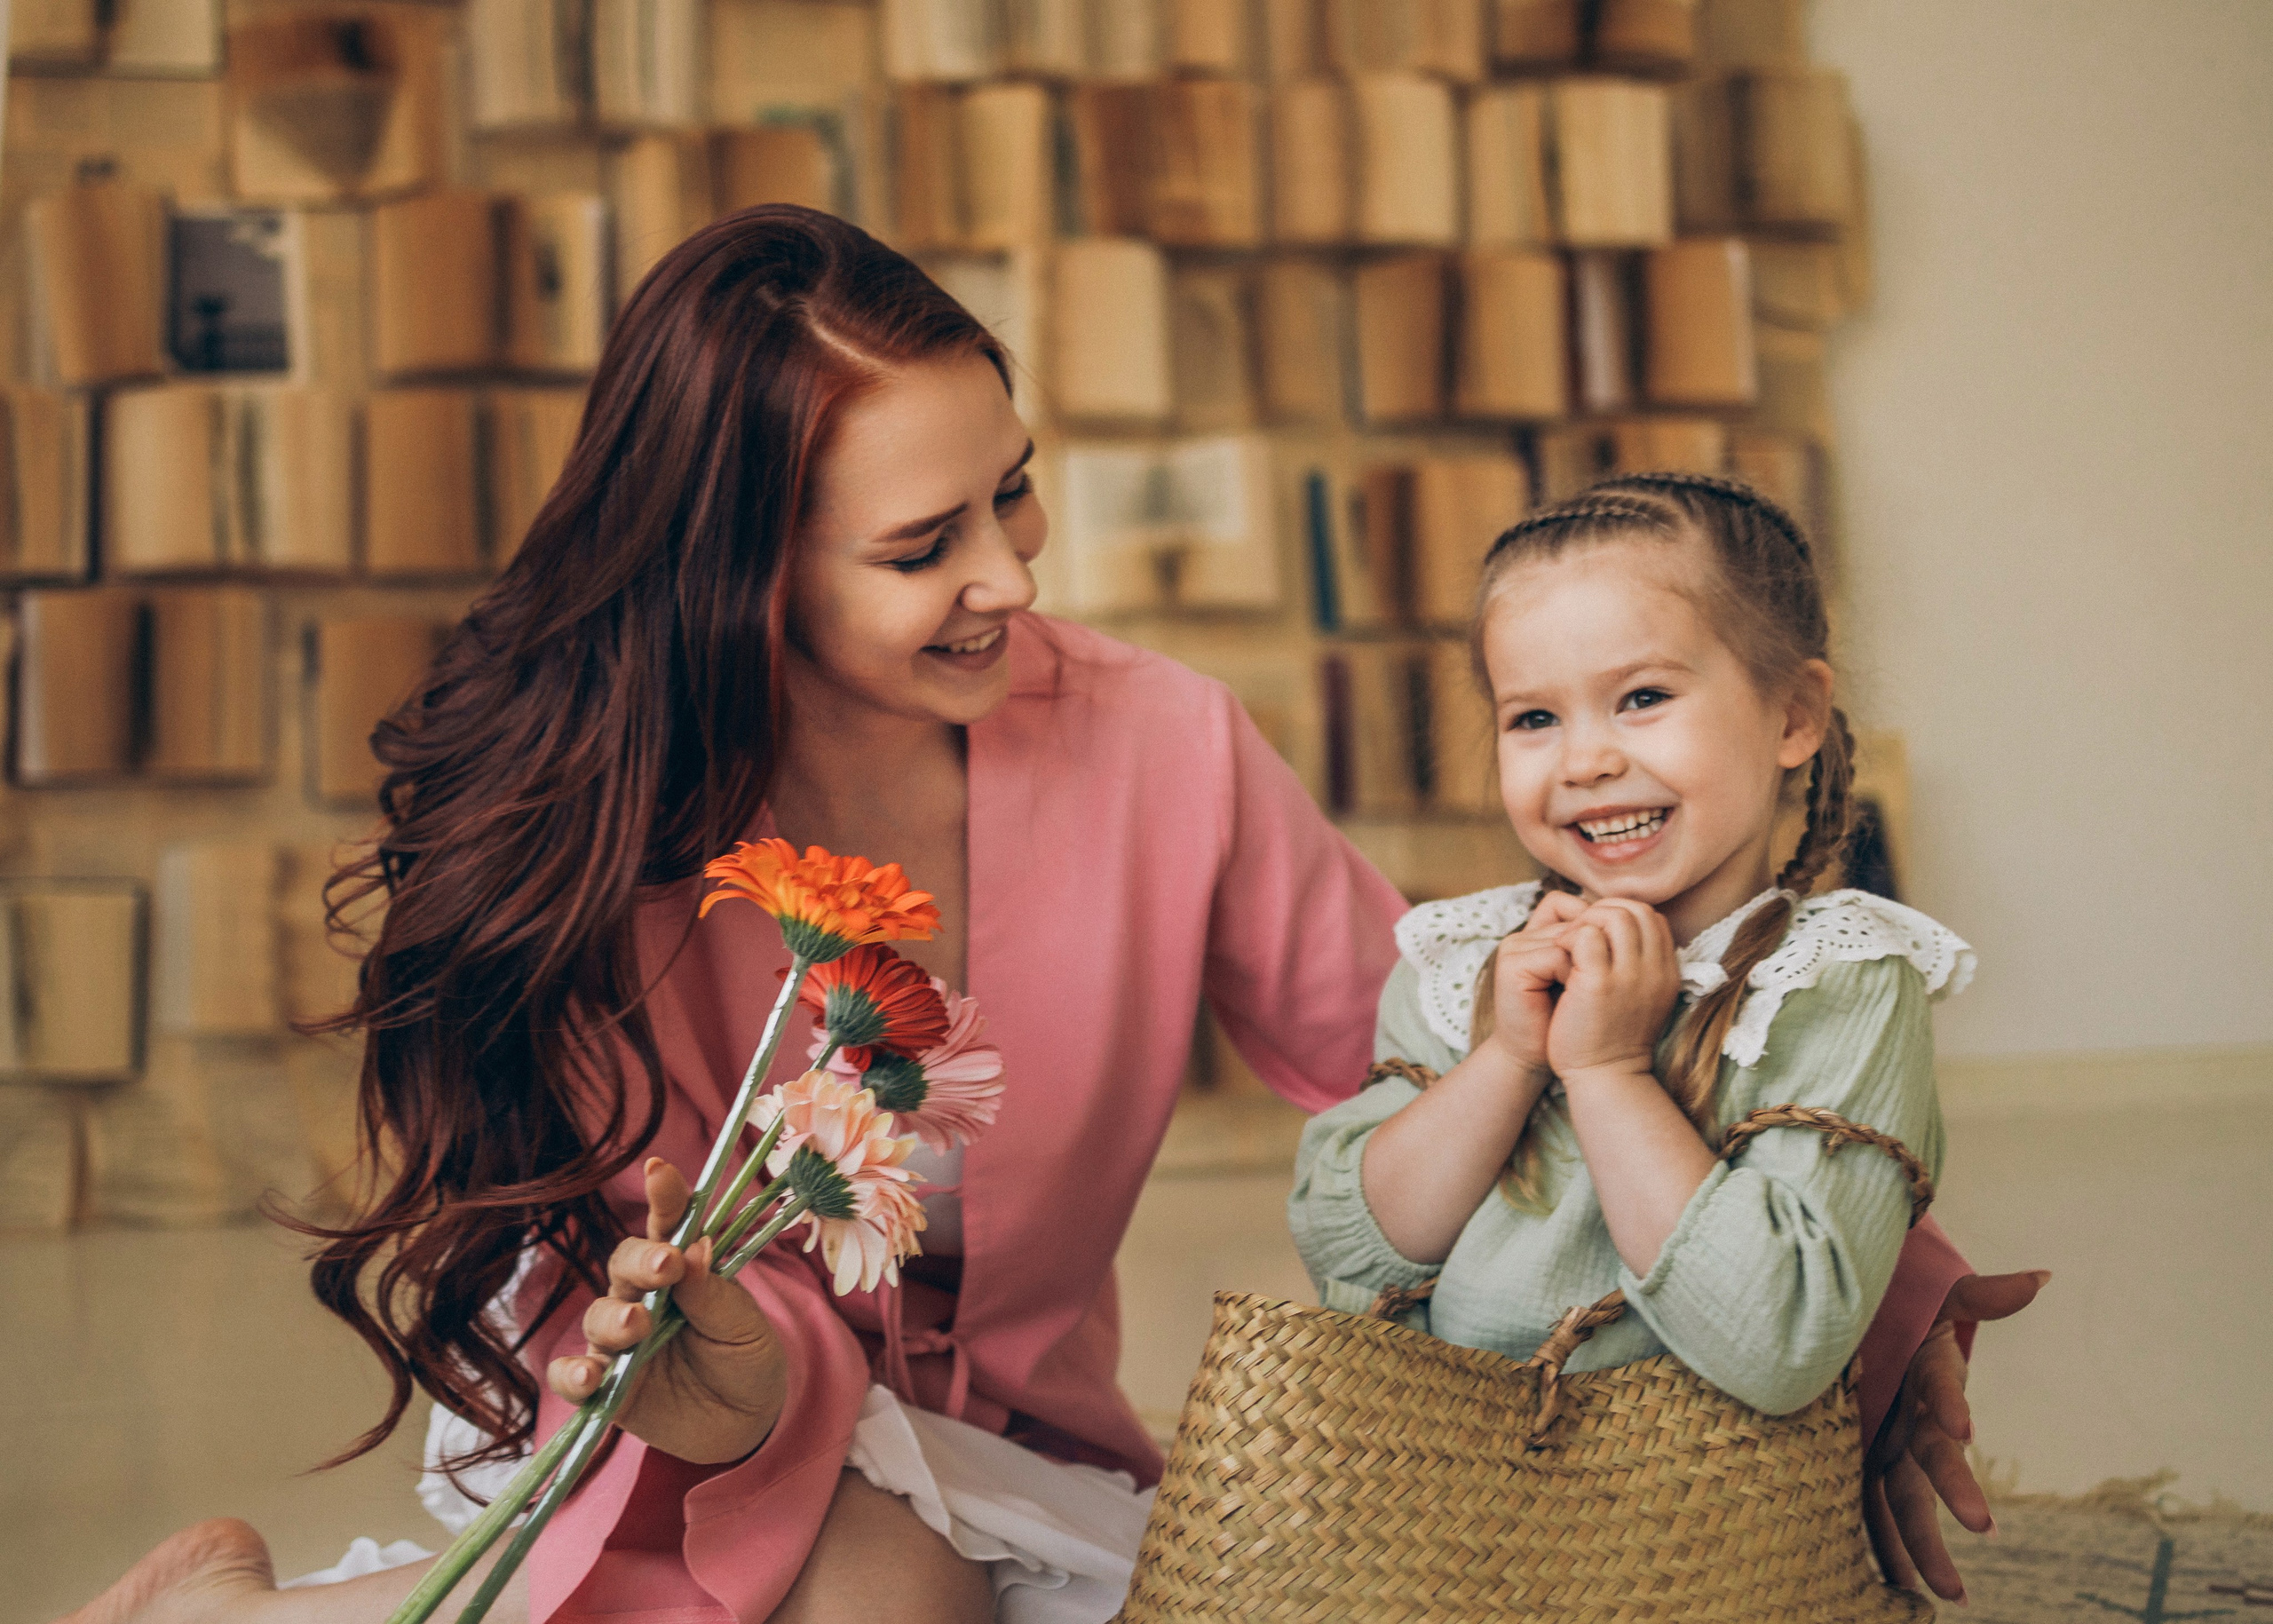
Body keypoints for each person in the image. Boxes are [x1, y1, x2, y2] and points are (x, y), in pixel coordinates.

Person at [59, 210, 2034, 1624]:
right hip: (669, 1402)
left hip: (1016, 1446)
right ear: (735, 571)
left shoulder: (1161, 743)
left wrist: (1869, 1261)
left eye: (1014, 493)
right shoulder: (612, 835)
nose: (1008, 572)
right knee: (855, 1585)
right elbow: (627, 1295)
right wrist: (688, 1376)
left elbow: (1442, 1028)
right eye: (922, 544)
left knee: (915, 1579)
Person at [1292, 472, 2046, 1602]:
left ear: (1791, 715)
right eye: (1533, 717)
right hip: (1456, 1525)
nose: (1584, 757)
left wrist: (1604, 1071)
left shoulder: (1838, 980)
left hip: (1705, 1544)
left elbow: (1776, 1342)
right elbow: (1348, 1257)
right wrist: (1505, 1057)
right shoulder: (1468, 966)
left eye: (1641, 696)